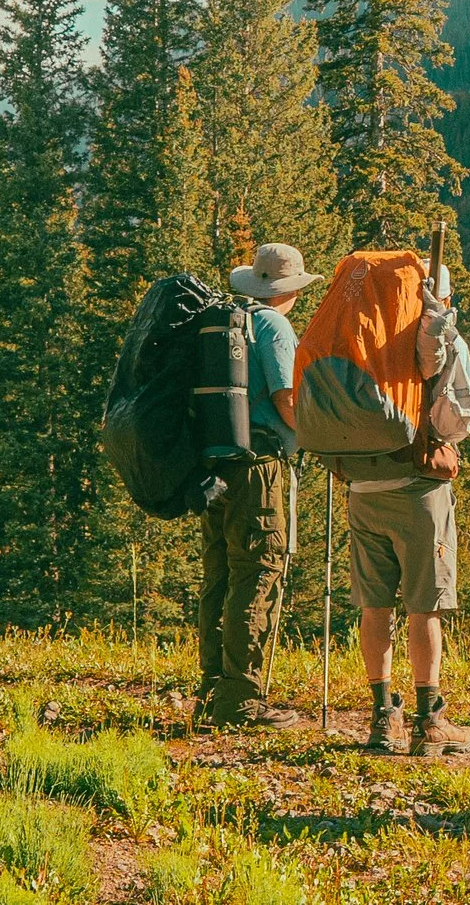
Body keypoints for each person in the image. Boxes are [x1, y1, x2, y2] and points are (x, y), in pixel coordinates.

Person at [342, 261, 470, 756]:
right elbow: (454, 420)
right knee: (425, 604)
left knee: (374, 605)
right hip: (417, 491)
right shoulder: (441, 341)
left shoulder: (358, 341)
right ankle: (430, 720)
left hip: (363, 489)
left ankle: (383, 719)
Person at [198, 241, 312, 729]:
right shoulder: (275, 326)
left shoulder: (226, 318)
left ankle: (211, 688)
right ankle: (242, 698)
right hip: (260, 463)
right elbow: (286, 396)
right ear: (286, 290)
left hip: (216, 463)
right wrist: (314, 435)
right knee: (260, 569)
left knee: (220, 572)